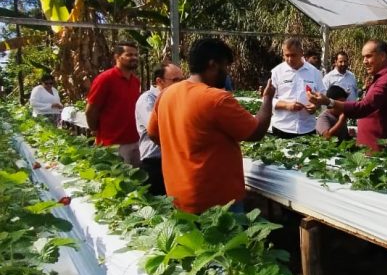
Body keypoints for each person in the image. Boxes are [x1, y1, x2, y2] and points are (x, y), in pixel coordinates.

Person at [147, 37, 274, 214]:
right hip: (218, 203)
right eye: (225, 66)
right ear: (213, 65)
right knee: (229, 242)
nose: (226, 73)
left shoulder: (166, 94)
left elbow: (152, 133)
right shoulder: (216, 99)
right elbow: (256, 131)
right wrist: (267, 98)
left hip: (178, 196)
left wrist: (181, 148)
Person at [308, 40, 387, 151]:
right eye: (363, 57)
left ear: (382, 56)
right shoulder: (382, 78)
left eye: (368, 56)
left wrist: (329, 101)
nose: (364, 61)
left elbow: (364, 107)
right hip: (372, 149)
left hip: (380, 152)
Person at [86, 42, 141, 165]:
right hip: (112, 143)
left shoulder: (135, 81)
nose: (134, 58)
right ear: (117, 57)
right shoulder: (105, 79)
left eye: (136, 55)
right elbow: (91, 110)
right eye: (129, 55)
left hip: (134, 140)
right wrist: (95, 130)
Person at [134, 63, 184, 195]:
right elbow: (157, 127)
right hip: (155, 163)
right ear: (159, 81)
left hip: (175, 162)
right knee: (157, 207)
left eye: (182, 80)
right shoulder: (147, 100)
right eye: (175, 80)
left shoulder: (178, 98)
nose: (180, 84)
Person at [270, 37, 325, 138]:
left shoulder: (314, 73)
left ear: (301, 53)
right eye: (287, 55)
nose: (290, 59)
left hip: (307, 128)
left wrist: (315, 106)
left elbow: (322, 96)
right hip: (282, 128)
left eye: (293, 55)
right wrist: (286, 105)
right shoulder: (277, 72)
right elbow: (268, 99)